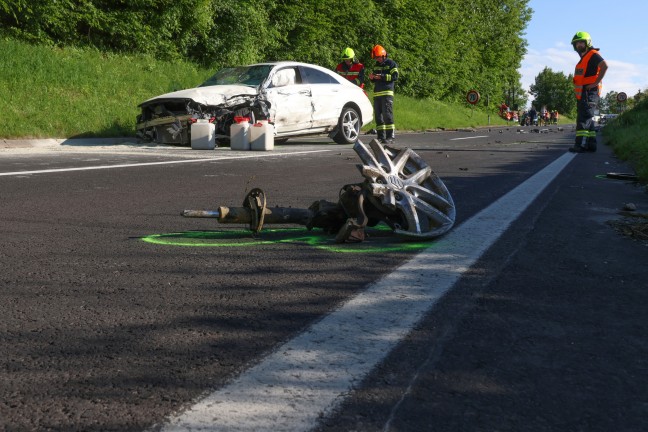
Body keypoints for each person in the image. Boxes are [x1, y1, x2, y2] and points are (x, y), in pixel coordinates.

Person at [569, 31, 608, 153]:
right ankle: (591, 144)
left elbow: (604, 65)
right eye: (576, 44)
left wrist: (595, 83)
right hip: (584, 94)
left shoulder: (593, 54)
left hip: (590, 93)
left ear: (588, 43)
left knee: (583, 120)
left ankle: (580, 145)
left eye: (581, 42)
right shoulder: (584, 58)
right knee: (588, 119)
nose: (578, 45)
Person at [368, 45, 399, 144]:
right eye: (376, 58)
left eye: (378, 57)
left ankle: (390, 136)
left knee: (387, 115)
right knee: (378, 116)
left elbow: (395, 76)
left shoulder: (391, 64)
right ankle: (381, 137)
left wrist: (381, 76)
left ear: (383, 55)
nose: (377, 59)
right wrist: (372, 77)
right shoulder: (376, 65)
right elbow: (374, 79)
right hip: (377, 94)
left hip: (387, 93)